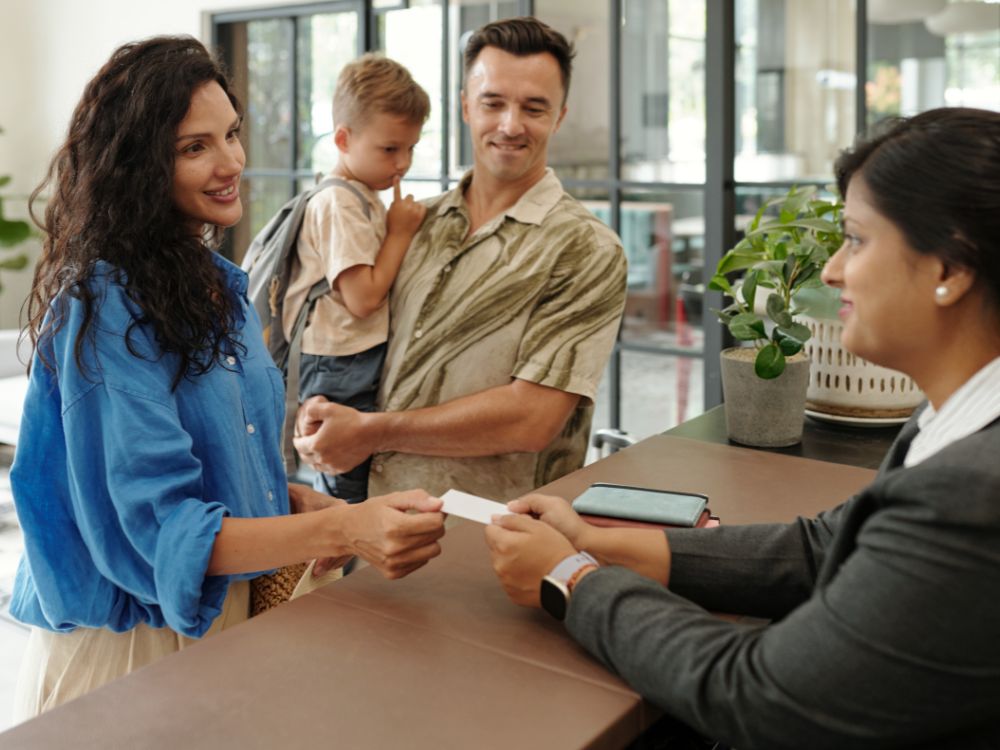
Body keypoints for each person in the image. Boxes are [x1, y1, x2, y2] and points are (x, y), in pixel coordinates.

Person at [485, 107, 1000, 749]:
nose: (833, 270)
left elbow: (758, 695)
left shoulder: (970, 495)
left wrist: (572, 581)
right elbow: (819, 550)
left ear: (949, 268)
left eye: (858, 239)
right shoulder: (952, 418)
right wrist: (596, 542)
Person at [9, 36, 445, 721]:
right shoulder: (104, 309)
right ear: (138, 166)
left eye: (233, 135)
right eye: (195, 147)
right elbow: (162, 530)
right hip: (127, 648)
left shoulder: (218, 286)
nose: (231, 163)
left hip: (223, 620)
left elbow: (218, 462)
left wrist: (288, 500)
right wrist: (342, 533)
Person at [294, 17, 627, 502]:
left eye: (534, 108)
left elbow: (530, 420)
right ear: (467, 106)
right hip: (370, 529)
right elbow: (352, 338)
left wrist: (371, 431)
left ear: (559, 117)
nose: (511, 125)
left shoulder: (586, 249)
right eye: (493, 103)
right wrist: (322, 408)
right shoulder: (408, 224)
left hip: (496, 544)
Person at [284, 54, 429, 504]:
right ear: (344, 139)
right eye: (389, 149)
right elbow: (363, 297)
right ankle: (340, 557)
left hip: (348, 354)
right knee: (349, 477)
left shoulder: (361, 195)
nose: (402, 162)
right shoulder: (338, 203)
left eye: (410, 148)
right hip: (338, 358)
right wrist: (401, 232)